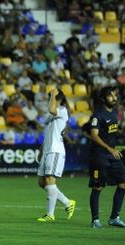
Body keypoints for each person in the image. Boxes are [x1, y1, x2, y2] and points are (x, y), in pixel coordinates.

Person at [88, 86, 125, 228]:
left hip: (112, 154)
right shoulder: (97, 115)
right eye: (110, 96)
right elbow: (94, 135)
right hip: (99, 155)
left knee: (124, 184)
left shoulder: (114, 114)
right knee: (98, 187)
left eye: (115, 95)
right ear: (103, 98)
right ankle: (95, 220)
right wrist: (109, 148)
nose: (114, 98)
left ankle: (114, 218)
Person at [36, 89, 76, 222]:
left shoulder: (62, 110)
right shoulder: (50, 116)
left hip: (55, 150)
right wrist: (41, 150)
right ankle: (67, 202)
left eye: (51, 98)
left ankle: (50, 214)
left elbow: (53, 109)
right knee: (42, 182)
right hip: (47, 150)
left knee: (50, 180)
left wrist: (53, 95)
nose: (49, 100)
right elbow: (48, 133)